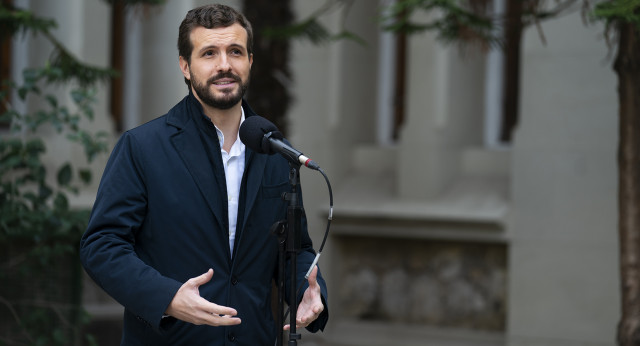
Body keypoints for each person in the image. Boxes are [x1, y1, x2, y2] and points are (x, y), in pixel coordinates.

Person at [79, 4, 328, 345]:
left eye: (235, 52)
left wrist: (307, 291)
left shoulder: (275, 152)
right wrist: (167, 298)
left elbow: (295, 250)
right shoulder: (141, 147)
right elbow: (101, 246)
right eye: (209, 53)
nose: (224, 65)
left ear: (250, 61)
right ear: (185, 65)